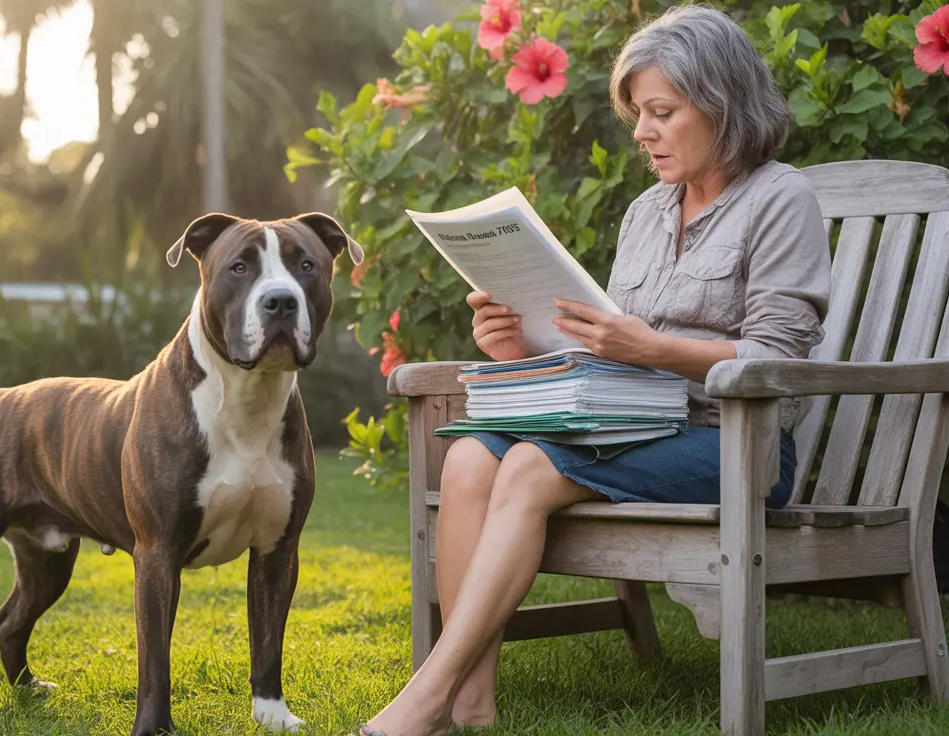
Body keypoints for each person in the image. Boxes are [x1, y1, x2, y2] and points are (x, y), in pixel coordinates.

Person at [353, 5, 832, 736]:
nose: (641, 133)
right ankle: (472, 705)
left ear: (722, 105)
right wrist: (520, 348)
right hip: (625, 421)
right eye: (639, 114)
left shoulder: (779, 198)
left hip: (734, 441)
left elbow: (778, 358)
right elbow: (606, 345)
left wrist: (653, 350)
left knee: (524, 470)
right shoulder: (645, 211)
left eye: (661, 113)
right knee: (470, 461)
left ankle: (427, 696)